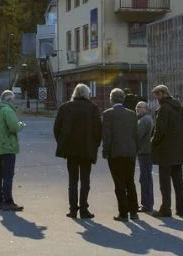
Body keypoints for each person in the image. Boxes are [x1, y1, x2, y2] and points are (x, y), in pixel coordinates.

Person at [54, 82, 102, 219]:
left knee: (72, 180)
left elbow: (57, 128)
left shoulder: (65, 107)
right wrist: (95, 145)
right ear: (87, 94)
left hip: (70, 149)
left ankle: (73, 209)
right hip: (87, 149)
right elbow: (98, 130)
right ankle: (84, 209)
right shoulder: (93, 108)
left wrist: (62, 142)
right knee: (85, 180)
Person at [150, 84, 183, 218]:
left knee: (165, 183)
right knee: (178, 181)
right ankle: (181, 209)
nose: (156, 98)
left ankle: (165, 209)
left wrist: (152, 142)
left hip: (166, 151)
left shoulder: (164, 109)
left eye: (156, 95)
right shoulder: (179, 107)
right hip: (179, 150)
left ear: (162, 94)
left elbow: (159, 131)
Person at [101, 88, 140, 221]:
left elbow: (107, 136)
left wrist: (105, 151)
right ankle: (134, 211)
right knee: (130, 182)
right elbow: (136, 134)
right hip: (130, 152)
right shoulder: (132, 114)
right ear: (123, 99)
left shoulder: (107, 114)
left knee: (119, 183)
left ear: (111, 99)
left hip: (115, 153)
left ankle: (123, 213)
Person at [0, 89, 26, 212]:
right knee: (8, 175)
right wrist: (21, 125)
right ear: (9, 99)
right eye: (13, 99)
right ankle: (8, 202)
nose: (14, 101)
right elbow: (13, 127)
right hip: (7, 147)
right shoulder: (7, 110)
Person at [135, 100, 155, 214]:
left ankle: (147, 204)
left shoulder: (144, 120)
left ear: (146, 109)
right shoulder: (147, 119)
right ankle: (147, 203)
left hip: (145, 152)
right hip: (146, 151)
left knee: (145, 178)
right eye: (137, 107)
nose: (138, 109)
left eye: (141, 107)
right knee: (146, 178)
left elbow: (138, 135)